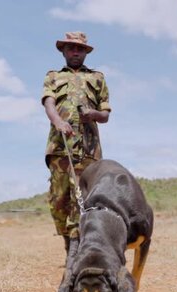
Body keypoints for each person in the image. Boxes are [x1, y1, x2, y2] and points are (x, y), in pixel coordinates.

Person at [41, 31, 111, 256]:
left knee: (84, 201)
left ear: (85, 52)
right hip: (60, 148)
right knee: (59, 201)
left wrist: (92, 114)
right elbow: (49, 103)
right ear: (63, 50)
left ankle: (79, 249)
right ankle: (68, 242)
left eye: (80, 49)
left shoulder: (97, 78)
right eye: (71, 48)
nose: (75, 52)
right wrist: (58, 121)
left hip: (89, 151)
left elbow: (105, 115)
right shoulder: (53, 76)